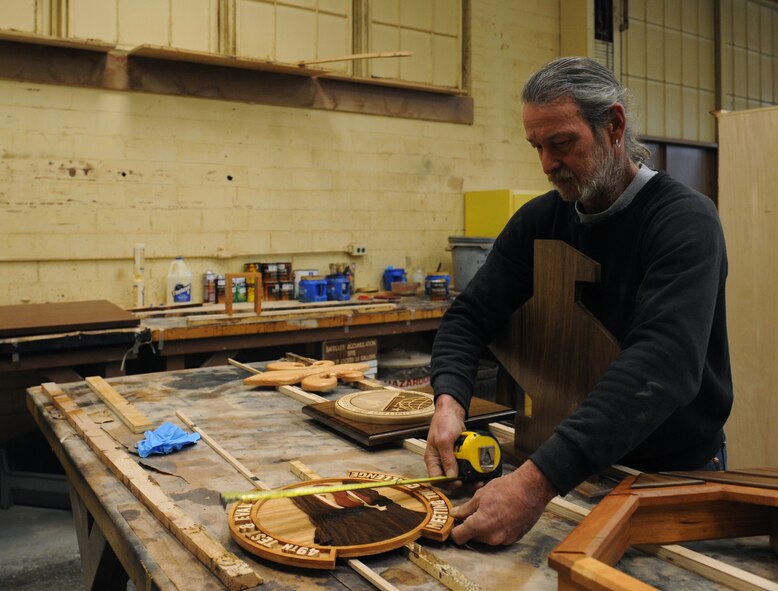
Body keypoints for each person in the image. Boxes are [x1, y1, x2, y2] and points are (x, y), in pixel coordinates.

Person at [424, 57, 733, 546]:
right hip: (571, 467)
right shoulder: (540, 221)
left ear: (613, 125)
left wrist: (533, 483)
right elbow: (468, 317)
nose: (547, 164)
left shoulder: (683, 222)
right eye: (537, 147)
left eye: (562, 143)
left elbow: (660, 366)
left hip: (670, 477)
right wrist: (448, 401)